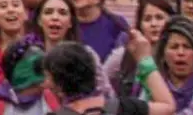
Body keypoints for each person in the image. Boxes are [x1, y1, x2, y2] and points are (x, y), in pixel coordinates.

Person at [43, 41, 174, 115]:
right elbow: (168, 106)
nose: (46, 84)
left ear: (59, 85)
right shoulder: (126, 107)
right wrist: (144, 59)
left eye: (49, 78)